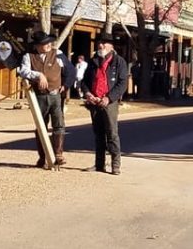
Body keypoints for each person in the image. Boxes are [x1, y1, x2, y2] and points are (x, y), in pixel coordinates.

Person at [17, 30, 76, 168]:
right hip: (39, 96)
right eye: (44, 43)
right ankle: (43, 157)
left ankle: (58, 155)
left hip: (55, 95)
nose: (48, 45)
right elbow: (23, 71)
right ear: (37, 45)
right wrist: (38, 75)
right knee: (41, 127)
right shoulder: (28, 56)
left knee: (59, 125)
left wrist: (66, 85)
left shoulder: (58, 54)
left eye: (49, 42)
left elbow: (71, 70)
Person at [81, 33, 128, 175]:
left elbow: (122, 83)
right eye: (99, 43)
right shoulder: (93, 61)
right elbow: (84, 81)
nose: (101, 45)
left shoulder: (119, 61)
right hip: (94, 101)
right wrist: (88, 94)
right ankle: (99, 164)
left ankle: (115, 165)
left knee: (112, 133)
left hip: (109, 102)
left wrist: (109, 98)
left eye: (104, 43)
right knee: (98, 133)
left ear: (111, 45)